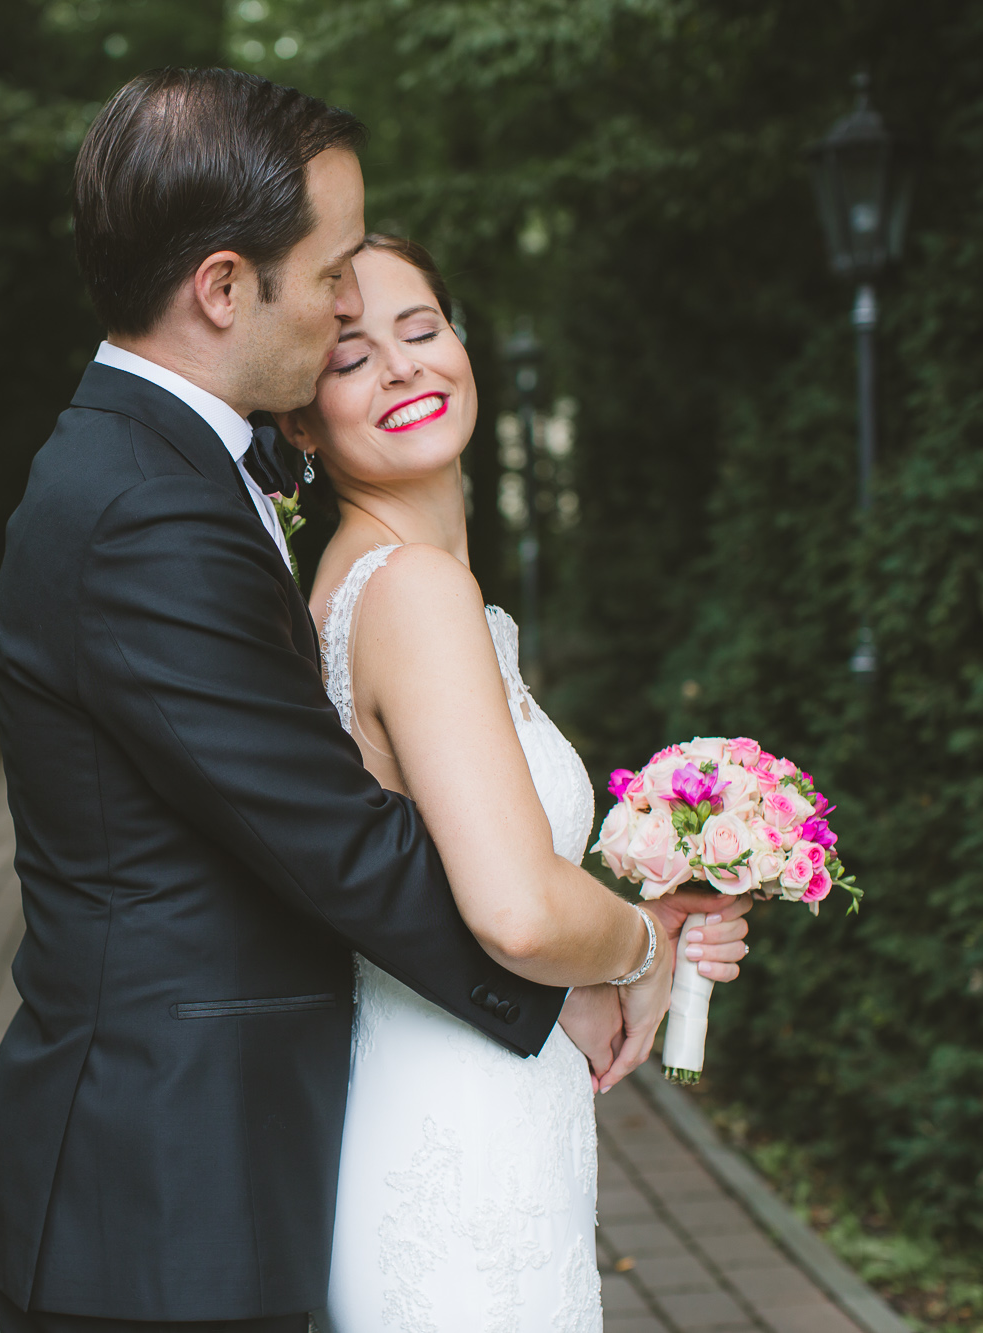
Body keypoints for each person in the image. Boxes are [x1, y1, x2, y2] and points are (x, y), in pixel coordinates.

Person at [0, 68, 749, 1333]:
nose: (345, 312)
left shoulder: (173, 470)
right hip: (164, 1193)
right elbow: (339, 838)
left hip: (230, 1165)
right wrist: (614, 951)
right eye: (330, 279)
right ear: (222, 288)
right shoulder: (141, 508)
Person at [267, 233, 753, 1329]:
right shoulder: (411, 591)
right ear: (298, 415)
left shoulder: (379, 590)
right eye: (349, 356)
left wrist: (655, 930)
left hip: (461, 1102)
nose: (399, 366)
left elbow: (454, 878)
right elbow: (518, 913)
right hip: (456, 1142)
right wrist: (635, 946)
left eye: (421, 327)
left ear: (461, 344)